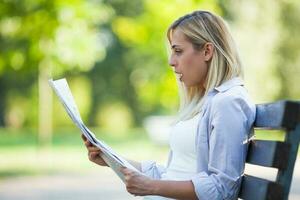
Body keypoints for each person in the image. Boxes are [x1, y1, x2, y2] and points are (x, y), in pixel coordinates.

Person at [81, 10, 256, 200]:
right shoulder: (204, 102)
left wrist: (152, 187)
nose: (171, 61)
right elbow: (173, 175)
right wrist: (111, 159)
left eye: (178, 51)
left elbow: (222, 190)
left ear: (207, 51)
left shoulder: (229, 102)